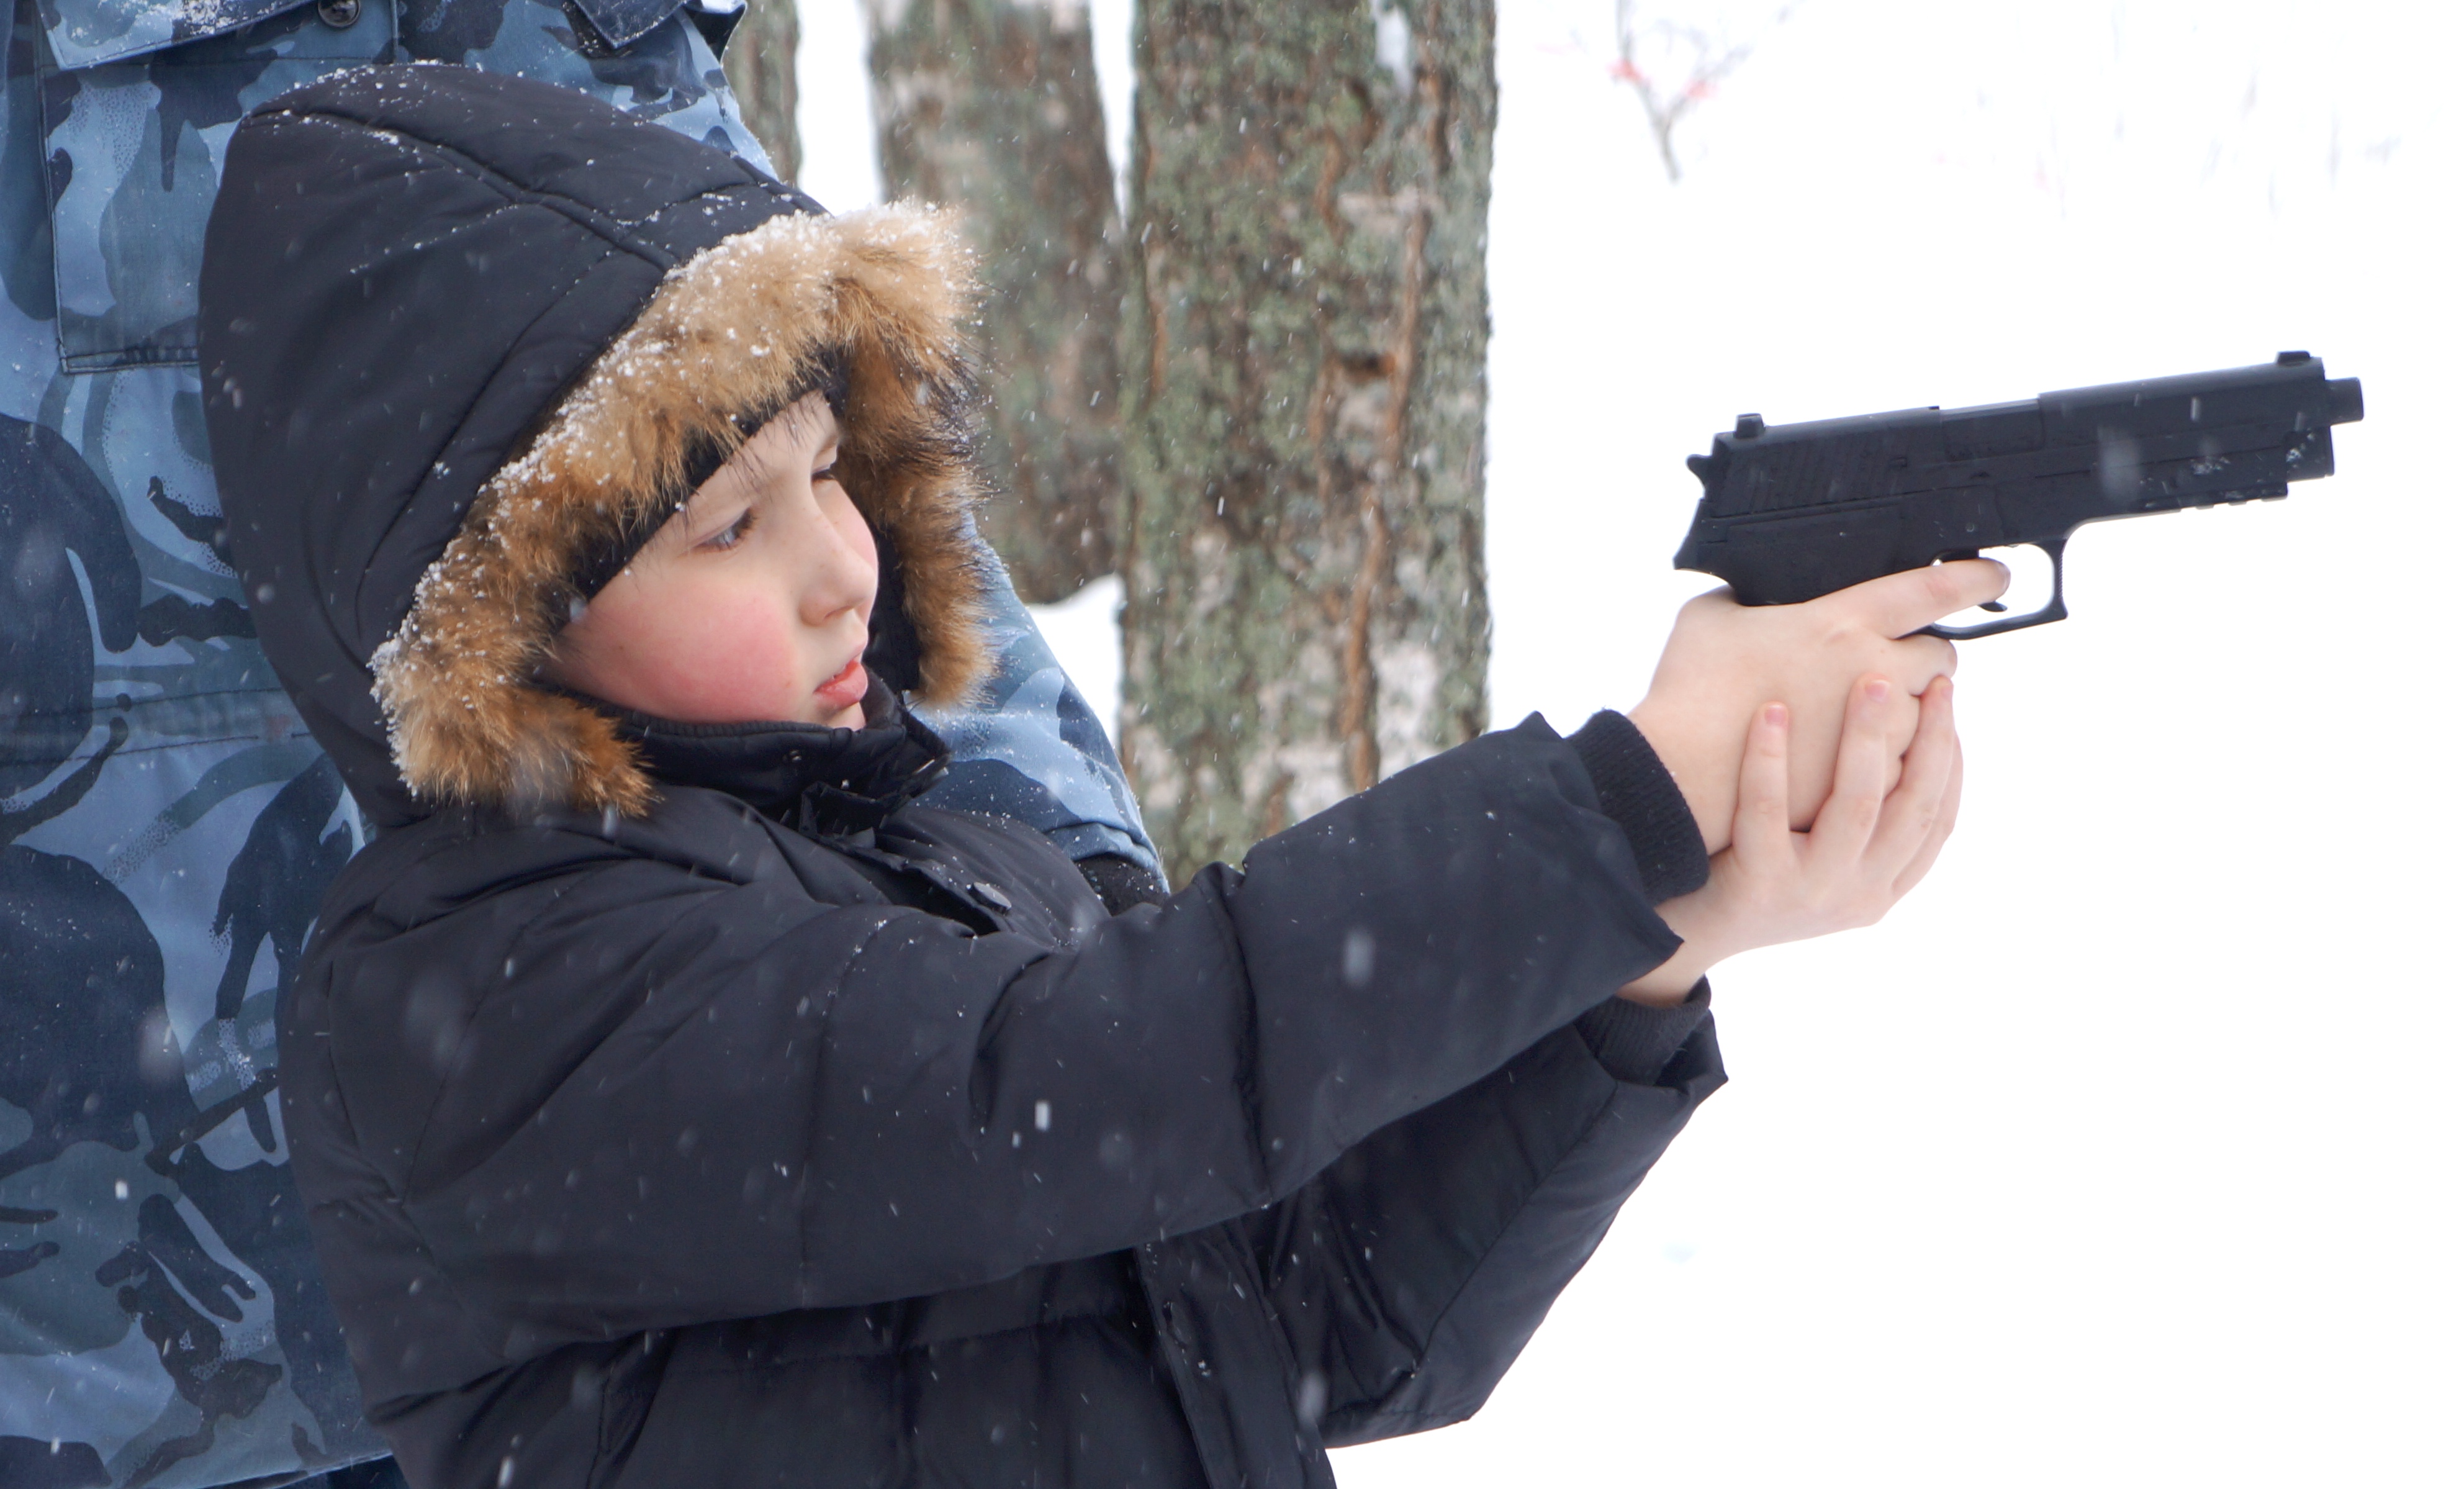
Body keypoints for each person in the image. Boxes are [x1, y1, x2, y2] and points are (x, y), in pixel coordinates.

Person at [196, 66, 2004, 1489]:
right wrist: (1613, 809)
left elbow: (1327, 1321)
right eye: (727, 524)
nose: (840, 567)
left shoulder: (959, 866)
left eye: (828, 472)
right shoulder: (476, 988)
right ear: (509, 629)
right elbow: (1078, 1081)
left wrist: (1651, 954)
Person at [0, 1, 1152, 1484]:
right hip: (125, 1374)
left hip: (672, 1305)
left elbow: (835, 503)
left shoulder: (579, 25)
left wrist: (1071, 892)